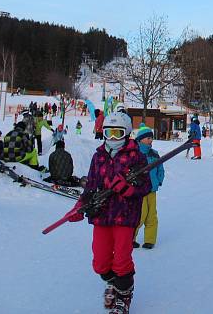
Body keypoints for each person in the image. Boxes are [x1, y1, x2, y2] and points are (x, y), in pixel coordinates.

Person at [65, 111, 151, 314]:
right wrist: (80, 205)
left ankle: (124, 294)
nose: (112, 138)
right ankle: (113, 282)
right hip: (101, 215)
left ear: (127, 133)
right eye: (108, 133)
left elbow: (146, 185)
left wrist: (129, 189)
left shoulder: (136, 157)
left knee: (121, 260)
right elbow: (91, 185)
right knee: (100, 262)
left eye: (117, 133)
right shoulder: (98, 156)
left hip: (125, 215)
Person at [134, 127, 164, 249]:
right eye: (148, 138)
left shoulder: (154, 154)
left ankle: (150, 240)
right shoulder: (135, 154)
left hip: (152, 190)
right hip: (140, 191)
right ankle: (130, 238)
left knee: (152, 215)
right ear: (141, 140)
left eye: (151, 138)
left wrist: (159, 181)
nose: (151, 140)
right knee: (139, 215)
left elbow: (160, 169)